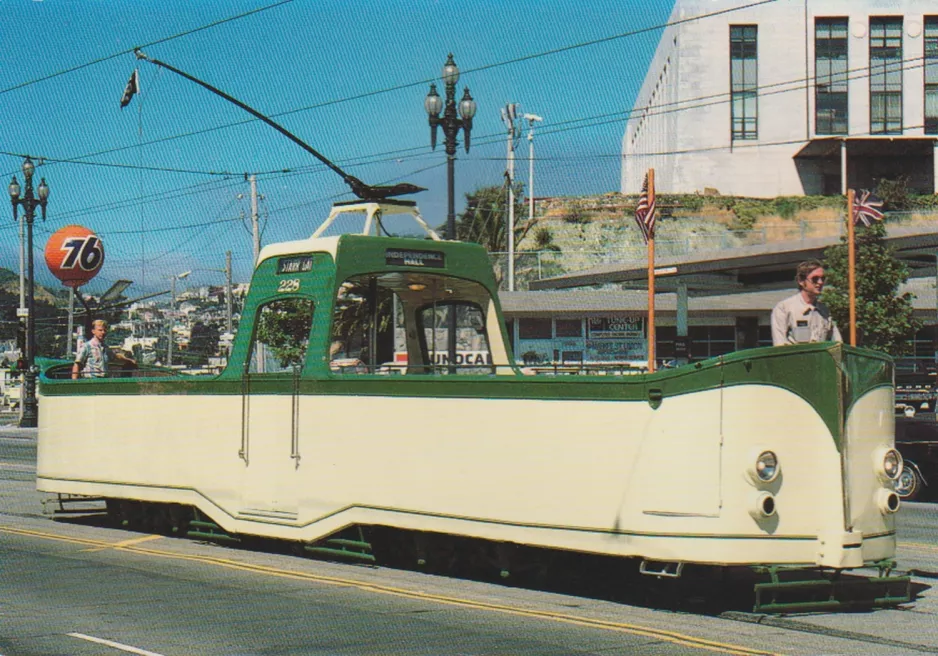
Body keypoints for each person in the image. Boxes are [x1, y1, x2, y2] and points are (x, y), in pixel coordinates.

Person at [771, 260, 842, 346]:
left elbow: (837, 344)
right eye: (815, 279)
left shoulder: (825, 311)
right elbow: (780, 345)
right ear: (801, 281)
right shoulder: (784, 308)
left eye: (822, 278)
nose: (820, 282)